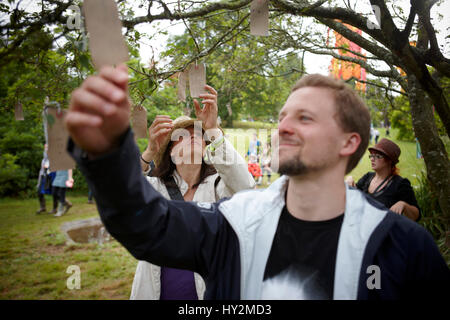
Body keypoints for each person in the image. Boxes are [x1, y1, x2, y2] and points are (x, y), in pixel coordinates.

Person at [65, 66, 449, 300]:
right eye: (283, 116)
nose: (283, 126)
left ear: (349, 142)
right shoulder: (232, 222)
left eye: (305, 118)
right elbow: (145, 225)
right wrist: (107, 154)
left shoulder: (404, 246)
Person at [132, 86, 255, 300]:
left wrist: (213, 128)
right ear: (170, 151)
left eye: (198, 134)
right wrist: (150, 150)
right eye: (181, 136)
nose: (192, 137)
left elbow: (246, 186)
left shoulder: (219, 186)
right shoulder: (155, 187)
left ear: (207, 146)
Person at [346, 138, 421, 222]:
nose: (372, 159)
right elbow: (356, 198)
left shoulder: (400, 184)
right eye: (372, 155)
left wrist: (403, 204)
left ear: (389, 160)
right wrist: (350, 182)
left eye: (377, 156)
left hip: (384, 232)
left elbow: (416, 216)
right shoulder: (367, 177)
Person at [35, 144, 56, 214]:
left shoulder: (53, 158)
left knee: (54, 192)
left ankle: (55, 208)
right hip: (43, 176)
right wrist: (38, 182)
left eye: (47, 148)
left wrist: (48, 168)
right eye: (45, 148)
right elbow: (41, 171)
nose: (46, 149)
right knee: (39, 191)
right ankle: (43, 207)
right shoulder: (44, 160)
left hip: (50, 177)